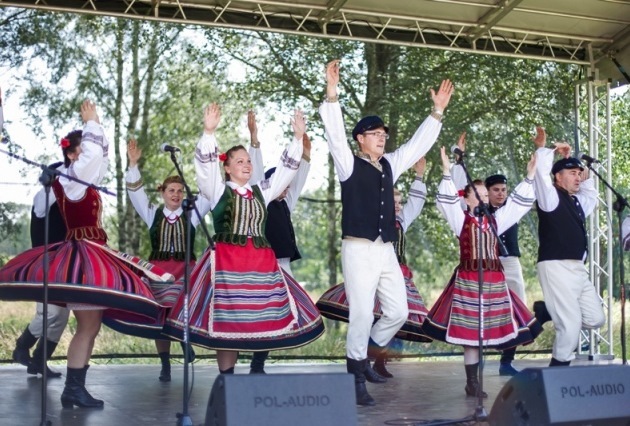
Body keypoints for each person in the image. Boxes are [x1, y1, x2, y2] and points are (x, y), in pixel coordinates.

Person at [0, 100, 172, 409]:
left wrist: (99, 131)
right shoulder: (71, 182)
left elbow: (98, 159)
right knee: (88, 326)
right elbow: (94, 157)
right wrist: (93, 123)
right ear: (70, 155)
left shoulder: (78, 181)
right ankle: (73, 388)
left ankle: (74, 389)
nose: (89, 157)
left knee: (89, 326)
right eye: (80, 151)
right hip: (84, 256)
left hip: (89, 253)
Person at [320, 58, 453, 406]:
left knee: (398, 311)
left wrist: (436, 113)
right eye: (375, 135)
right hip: (358, 248)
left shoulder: (391, 163)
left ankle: (365, 356)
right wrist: (332, 94)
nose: (382, 139)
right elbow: (335, 135)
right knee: (362, 311)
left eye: (384, 135)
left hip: (384, 249)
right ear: (361, 139)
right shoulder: (348, 162)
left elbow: (416, 146)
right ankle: (355, 377)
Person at [162, 104, 324, 375]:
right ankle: (227, 379)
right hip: (227, 265)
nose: (247, 164)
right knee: (227, 322)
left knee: (260, 316)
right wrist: (209, 132)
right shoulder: (217, 190)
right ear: (226, 168)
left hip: (260, 266)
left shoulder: (263, 190)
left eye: (248, 160)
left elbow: (286, 170)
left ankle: (256, 367)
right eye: (239, 161)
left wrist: (297, 140)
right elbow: (205, 170)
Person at [421, 146, 541, 398]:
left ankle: (501, 363)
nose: (486, 197)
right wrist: (446, 171)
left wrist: (530, 177)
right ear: (467, 198)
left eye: (487, 194)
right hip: (469, 280)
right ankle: (472, 383)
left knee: (490, 331)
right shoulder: (460, 219)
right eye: (481, 193)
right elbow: (446, 201)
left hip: (494, 281)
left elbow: (518, 203)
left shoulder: (497, 219)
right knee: (471, 335)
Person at [102, 139, 213, 382]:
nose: (176, 194)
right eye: (171, 190)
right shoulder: (153, 213)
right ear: (162, 192)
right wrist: (133, 164)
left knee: (179, 307)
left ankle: (185, 344)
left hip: (185, 271)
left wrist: (206, 160)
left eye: (180, 190)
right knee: (159, 318)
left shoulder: (192, 214)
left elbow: (209, 191)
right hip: (159, 272)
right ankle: (165, 364)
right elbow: (135, 193)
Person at [316, 158, 432, 379]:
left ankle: (376, 360)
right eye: (393, 201)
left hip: (394, 273)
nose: (397, 206)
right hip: (369, 268)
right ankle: (363, 364)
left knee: (397, 315)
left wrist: (419, 177)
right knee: (368, 315)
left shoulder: (401, 222)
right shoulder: (375, 219)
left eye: (399, 202)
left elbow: (415, 204)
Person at [531, 127, 605, 367]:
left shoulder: (576, 202)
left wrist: (568, 159)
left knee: (595, 319)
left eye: (579, 173)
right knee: (570, 328)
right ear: (558, 177)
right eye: (572, 173)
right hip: (555, 267)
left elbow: (591, 196)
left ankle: (547, 311)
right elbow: (541, 178)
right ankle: (556, 376)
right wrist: (542, 149)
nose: (578, 177)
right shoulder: (550, 198)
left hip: (577, 269)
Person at [247, 110, 312, 374]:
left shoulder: (287, 202)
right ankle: (253, 353)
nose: (287, 188)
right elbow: (257, 172)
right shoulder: (261, 200)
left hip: (283, 264)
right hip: (264, 265)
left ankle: (260, 359)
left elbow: (299, 180)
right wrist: (254, 139)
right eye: (283, 184)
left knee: (282, 309)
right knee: (262, 310)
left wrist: (306, 155)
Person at [12, 162, 70, 379]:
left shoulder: (66, 204)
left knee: (62, 315)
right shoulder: (43, 197)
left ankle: (39, 361)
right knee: (50, 312)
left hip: (64, 264)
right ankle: (21, 346)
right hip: (46, 263)